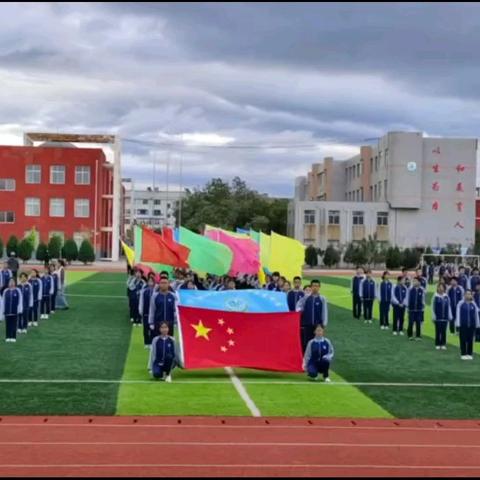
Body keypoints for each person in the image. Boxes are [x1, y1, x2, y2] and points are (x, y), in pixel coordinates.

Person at [296, 279, 328, 352]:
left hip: (318, 325)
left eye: (317, 286)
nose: (315, 287)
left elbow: (324, 311)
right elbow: (298, 305)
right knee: (306, 342)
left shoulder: (322, 298)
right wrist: (299, 310)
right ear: (311, 287)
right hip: (307, 324)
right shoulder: (306, 298)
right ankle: (306, 359)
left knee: (317, 342)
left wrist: (324, 323)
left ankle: (316, 357)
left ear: (319, 287)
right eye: (313, 286)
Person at [456, 290, 480, 360]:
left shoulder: (473, 304)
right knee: (463, 339)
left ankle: (469, 353)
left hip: (471, 325)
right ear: (464, 295)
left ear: (471, 296)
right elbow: (458, 314)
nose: (468, 295)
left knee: (470, 339)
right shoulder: (460, 304)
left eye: (469, 294)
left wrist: (477, 325)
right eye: (467, 294)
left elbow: (476, 315)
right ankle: (463, 353)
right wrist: (458, 324)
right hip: (463, 324)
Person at [1, 278, 23, 343]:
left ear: (15, 283)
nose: (11, 283)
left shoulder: (17, 290)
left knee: (14, 324)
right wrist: (3, 310)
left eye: (13, 281)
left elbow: (20, 300)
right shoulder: (5, 291)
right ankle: (8, 337)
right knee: (8, 324)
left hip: (14, 310)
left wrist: (19, 309)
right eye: (10, 282)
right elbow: (3, 301)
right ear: (8, 283)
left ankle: (13, 337)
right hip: (7, 311)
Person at [431, 283, 452, 350]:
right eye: (439, 287)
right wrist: (433, 315)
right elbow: (432, 307)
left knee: (444, 331)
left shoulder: (446, 297)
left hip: (445, 317)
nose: (440, 288)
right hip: (438, 317)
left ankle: (443, 344)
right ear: (437, 288)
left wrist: (449, 315)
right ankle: (437, 343)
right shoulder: (435, 296)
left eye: (442, 287)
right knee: (438, 331)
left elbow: (449, 306)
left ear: (444, 288)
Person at [139, 277, 156, 349]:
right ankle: (146, 342)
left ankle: (152, 342)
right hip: (145, 313)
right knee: (146, 329)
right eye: (149, 281)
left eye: (152, 281)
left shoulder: (156, 291)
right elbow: (141, 301)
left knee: (153, 329)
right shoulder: (144, 291)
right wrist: (141, 310)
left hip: (153, 314)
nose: (150, 283)